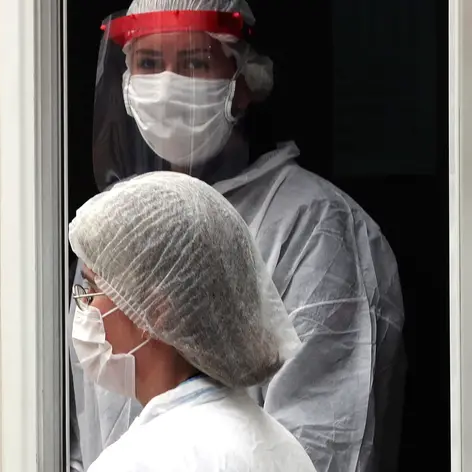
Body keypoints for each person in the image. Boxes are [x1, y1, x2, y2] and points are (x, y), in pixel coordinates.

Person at [68, 1, 406, 471]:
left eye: (194, 61)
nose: (167, 83)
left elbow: (326, 442)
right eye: (147, 62)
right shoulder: (119, 233)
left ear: (244, 80)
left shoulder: (313, 226)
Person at [68, 170, 315, 472]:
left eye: (93, 289)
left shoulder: (137, 462)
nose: (86, 307)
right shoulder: (284, 449)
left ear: (154, 313)